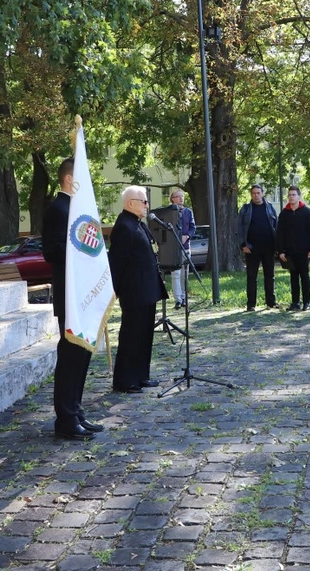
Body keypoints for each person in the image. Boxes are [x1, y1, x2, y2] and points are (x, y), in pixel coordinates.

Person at [41, 158, 103, 440]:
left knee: (81, 354)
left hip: (82, 293)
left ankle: (76, 410)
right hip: (70, 293)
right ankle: (65, 419)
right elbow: (51, 252)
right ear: (69, 179)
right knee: (69, 356)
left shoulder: (77, 209)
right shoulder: (59, 208)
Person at [110, 186, 167, 393]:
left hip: (147, 289)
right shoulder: (124, 226)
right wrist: (116, 289)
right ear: (130, 203)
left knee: (144, 336)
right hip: (134, 291)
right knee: (131, 336)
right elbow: (117, 261)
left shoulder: (138, 224)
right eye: (143, 201)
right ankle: (125, 380)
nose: (147, 205)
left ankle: (141, 375)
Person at [238, 185, 279, 311]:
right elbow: (239, 228)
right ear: (251, 195)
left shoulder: (270, 207)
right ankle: (251, 304)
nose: (256, 195)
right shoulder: (245, 209)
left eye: (258, 193)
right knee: (251, 277)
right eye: (254, 193)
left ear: (262, 193)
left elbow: (276, 225)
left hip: (269, 247)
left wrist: (277, 245)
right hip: (251, 248)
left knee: (270, 275)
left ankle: (271, 302)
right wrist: (243, 245)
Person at [277, 186, 310, 310]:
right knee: (293, 277)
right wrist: (281, 251)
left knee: (304, 276)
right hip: (289, 252)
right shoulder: (284, 213)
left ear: (299, 196)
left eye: (293, 195)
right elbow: (280, 233)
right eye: (289, 195)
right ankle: (295, 302)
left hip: (303, 251)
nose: (291, 197)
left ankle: (306, 302)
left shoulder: (307, 212)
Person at [167, 187, 195, 308]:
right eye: (178, 196)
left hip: (185, 247)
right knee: (176, 274)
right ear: (172, 199)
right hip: (173, 248)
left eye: (182, 196)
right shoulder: (168, 212)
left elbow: (193, 227)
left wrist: (187, 236)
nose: (181, 198)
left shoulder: (188, 212)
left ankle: (184, 297)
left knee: (185, 274)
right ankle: (178, 299)